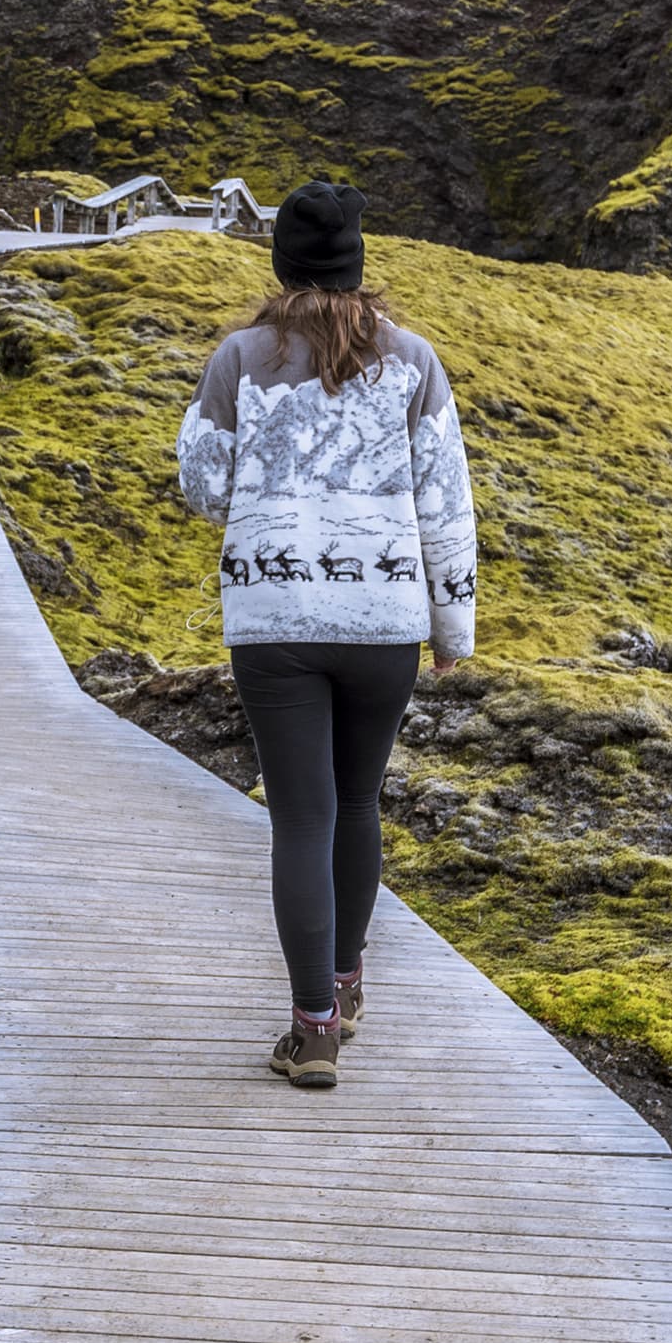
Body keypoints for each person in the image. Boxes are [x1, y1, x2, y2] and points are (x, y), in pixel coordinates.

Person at [173, 181, 479, 1089]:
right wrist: (450, 625)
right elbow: (448, 508)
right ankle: (346, 984)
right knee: (358, 801)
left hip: (274, 623)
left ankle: (312, 1031)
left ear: (282, 262)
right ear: (357, 260)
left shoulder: (239, 357)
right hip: (383, 624)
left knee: (301, 814)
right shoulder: (416, 361)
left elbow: (202, 491)